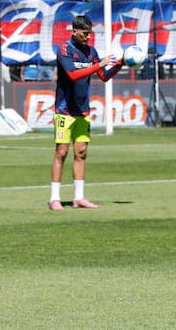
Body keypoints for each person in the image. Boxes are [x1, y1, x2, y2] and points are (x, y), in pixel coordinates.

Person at [49, 15, 124, 211]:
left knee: (81, 152)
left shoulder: (91, 52)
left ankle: (78, 197)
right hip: (64, 109)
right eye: (85, 33)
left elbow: (104, 76)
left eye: (90, 33)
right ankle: (54, 198)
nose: (88, 37)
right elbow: (73, 75)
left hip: (82, 110)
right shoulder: (65, 49)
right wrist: (98, 65)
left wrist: (119, 65)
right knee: (62, 152)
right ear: (74, 31)